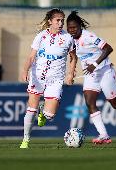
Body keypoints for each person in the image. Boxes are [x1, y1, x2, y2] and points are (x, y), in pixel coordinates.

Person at [66, 11, 116, 144]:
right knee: (89, 102)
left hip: (105, 72)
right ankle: (104, 135)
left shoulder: (89, 36)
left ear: (80, 26)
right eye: (69, 28)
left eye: (74, 27)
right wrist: (71, 73)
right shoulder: (71, 39)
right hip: (91, 75)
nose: (72, 30)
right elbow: (74, 56)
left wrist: (95, 64)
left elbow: (108, 48)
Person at [20, 8, 77, 148]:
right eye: (57, 20)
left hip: (55, 80)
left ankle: (43, 111)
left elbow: (73, 58)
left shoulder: (68, 38)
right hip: (37, 77)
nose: (60, 23)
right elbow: (31, 56)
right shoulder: (40, 36)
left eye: (62, 20)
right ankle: (25, 140)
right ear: (50, 21)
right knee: (31, 109)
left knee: (49, 115)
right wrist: (25, 70)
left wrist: (70, 74)